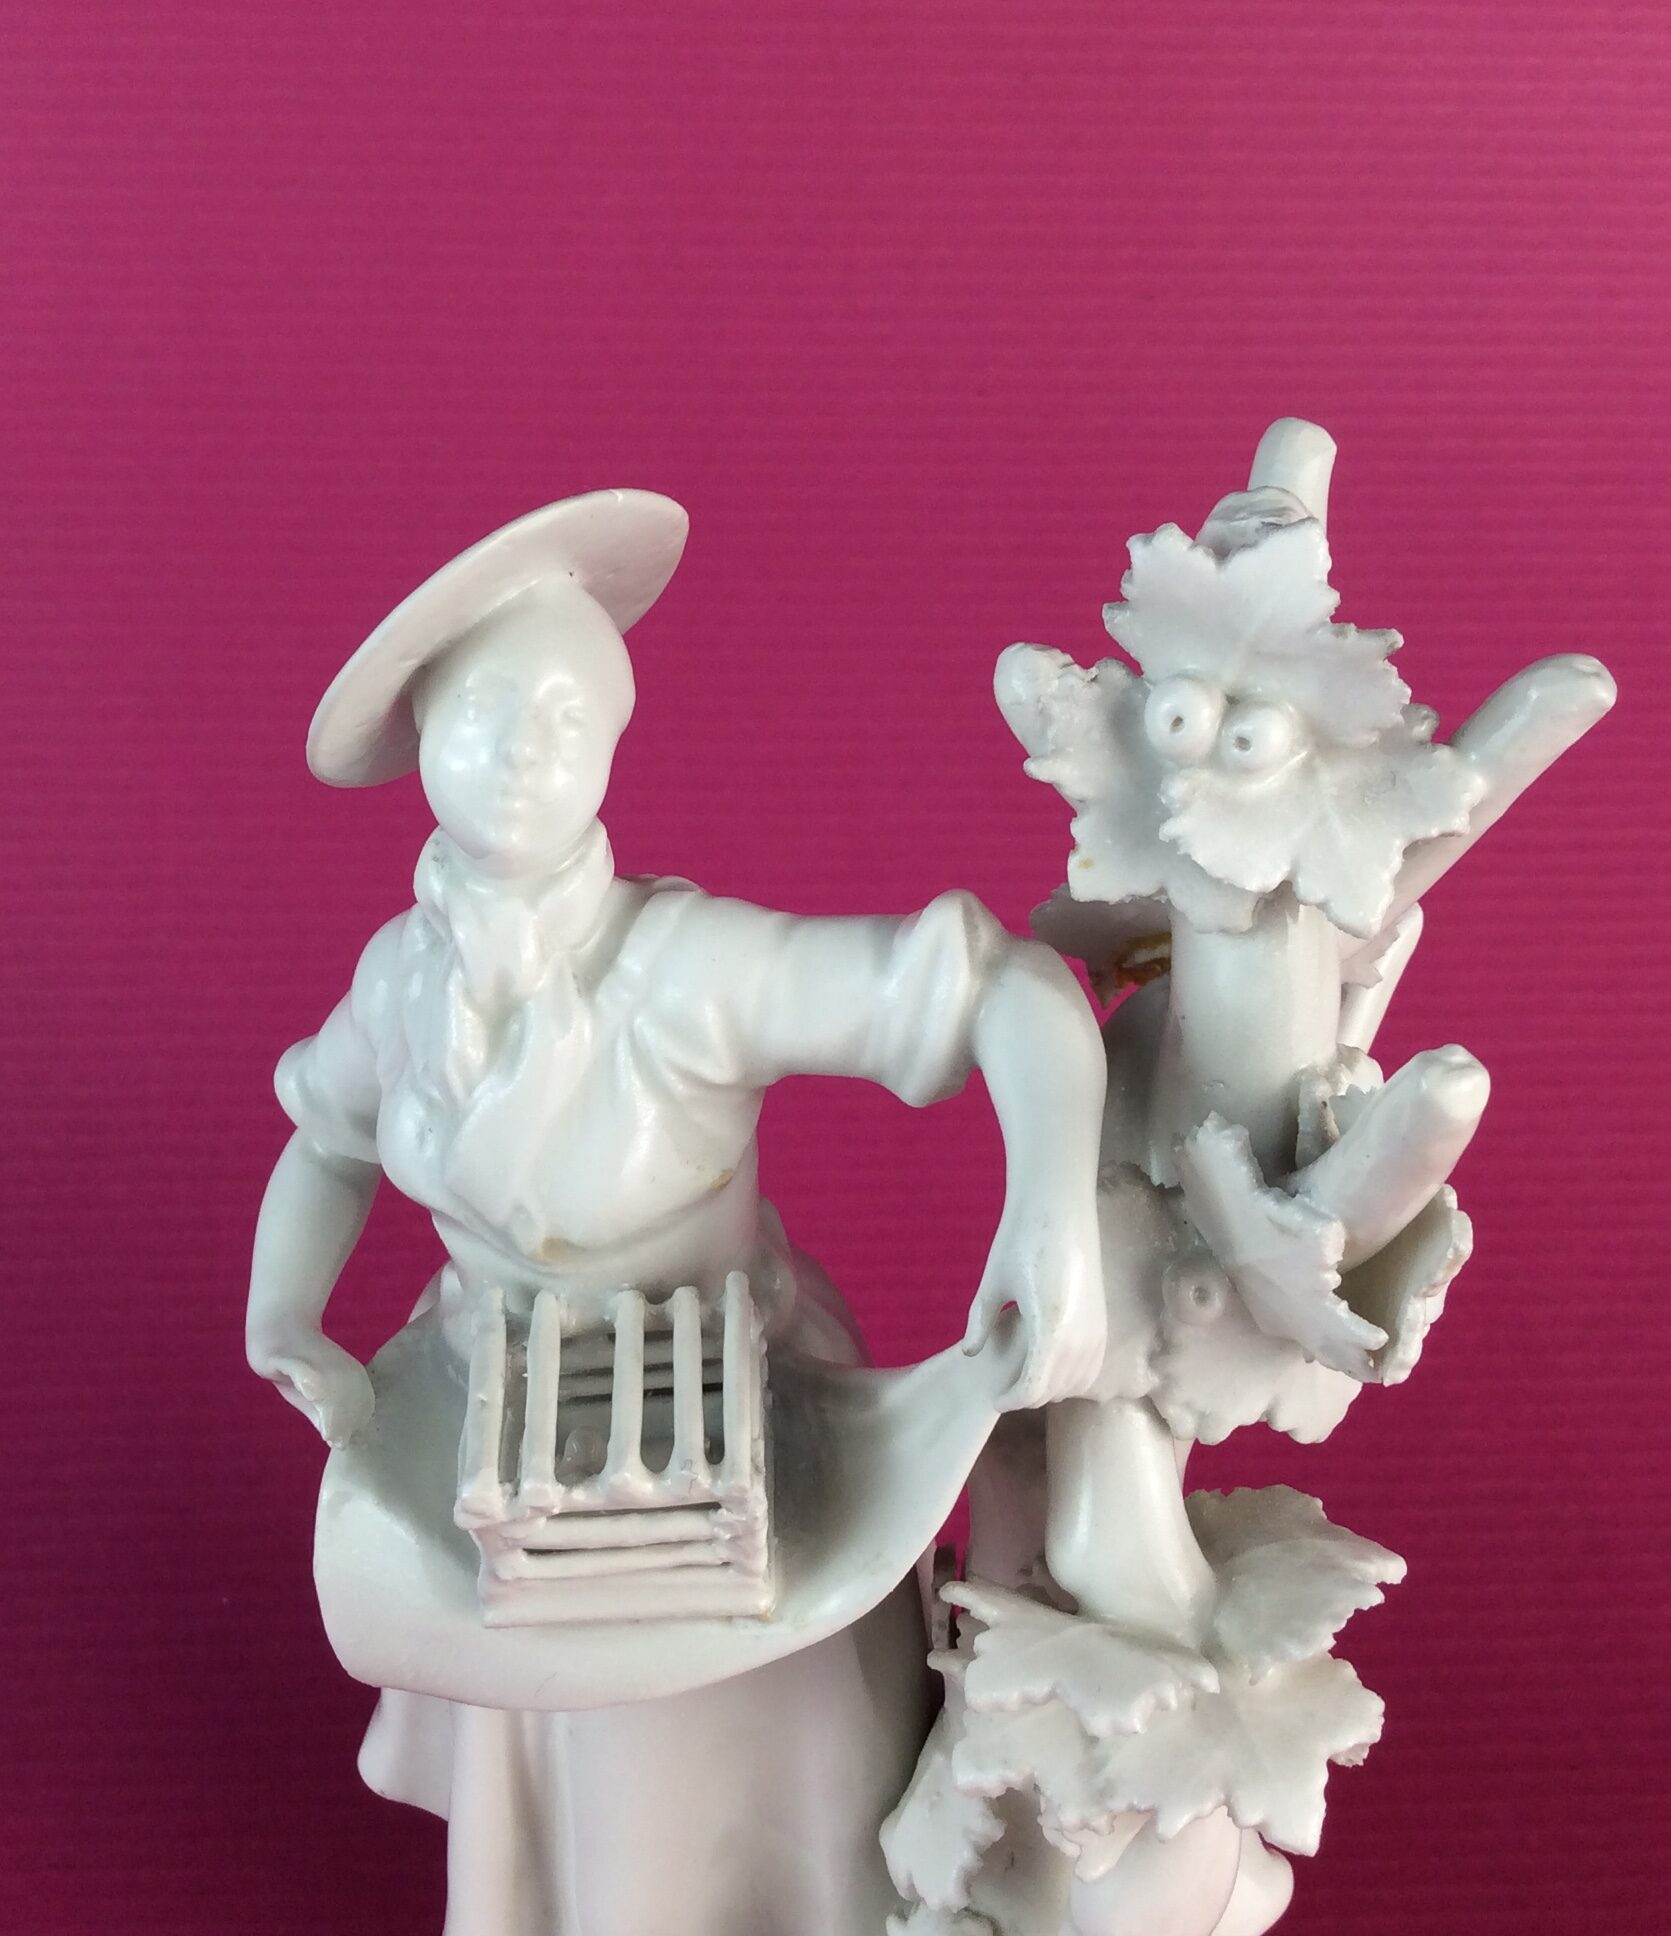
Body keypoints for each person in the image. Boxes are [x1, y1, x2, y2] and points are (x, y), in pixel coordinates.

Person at [245, 489, 1107, 1936]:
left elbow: (1004, 989)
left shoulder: (688, 968)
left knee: (726, 1769)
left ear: (611, 748)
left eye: (567, 722)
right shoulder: (401, 980)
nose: (526, 755)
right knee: (567, 1768)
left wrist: (1051, 1209)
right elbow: (325, 1141)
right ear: (425, 738)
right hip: (499, 1430)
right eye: (488, 717)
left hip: (723, 1422)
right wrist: (285, 1316)